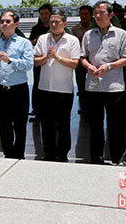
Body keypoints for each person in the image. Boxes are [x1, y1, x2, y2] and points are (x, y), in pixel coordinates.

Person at [81, 1, 126, 165]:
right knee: (95, 125)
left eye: (101, 12)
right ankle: (96, 157)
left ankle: (119, 157)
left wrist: (109, 66)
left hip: (113, 86)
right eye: (95, 13)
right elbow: (82, 57)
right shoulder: (88, 35)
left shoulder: (121, 34)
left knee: (116, 124)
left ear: (111, 15)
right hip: (93, 85)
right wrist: (88, 65)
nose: (97, 16)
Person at [0, 11, 33, 159]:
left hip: (18, 89)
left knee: (19, 125)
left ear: (16, 24)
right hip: (1, 90)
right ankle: (7, 153)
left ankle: (19, 154)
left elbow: (28, 64)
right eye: (2, 21)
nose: (4, 24)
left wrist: (10, 60)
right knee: (3, 125)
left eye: (8, 21)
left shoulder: (24, 43)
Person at [33, 9, 80, 162]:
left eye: (57, 21)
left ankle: (63, 153)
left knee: (63, 123)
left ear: (65, 23)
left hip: (64, 89)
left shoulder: (72, 40)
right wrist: (47, 57)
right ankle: (48, 152)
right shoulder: (43, 39)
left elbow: (74, 63)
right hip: (45, 88)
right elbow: (35, 61)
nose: (53, 24)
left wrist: (58, 58)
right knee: (46, 123)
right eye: (51, 21)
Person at [29, 3, 52, 119]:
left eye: (46, 14)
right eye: (42, 14)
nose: (44, 16)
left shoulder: (54, 27)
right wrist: (36, 40)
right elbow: (30, 42)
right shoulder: (36, 28)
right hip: (39, 60)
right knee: (37, 84)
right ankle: (36, 110)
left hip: (52, 61)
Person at [71, 5, 93, 115]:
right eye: (82, 14)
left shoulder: (95, 28)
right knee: (81, 83)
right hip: (80, 60)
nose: (83, 16)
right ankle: (83, 107)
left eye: (86, 14)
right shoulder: (75, 29)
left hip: (93, 60)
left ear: (91, 15)